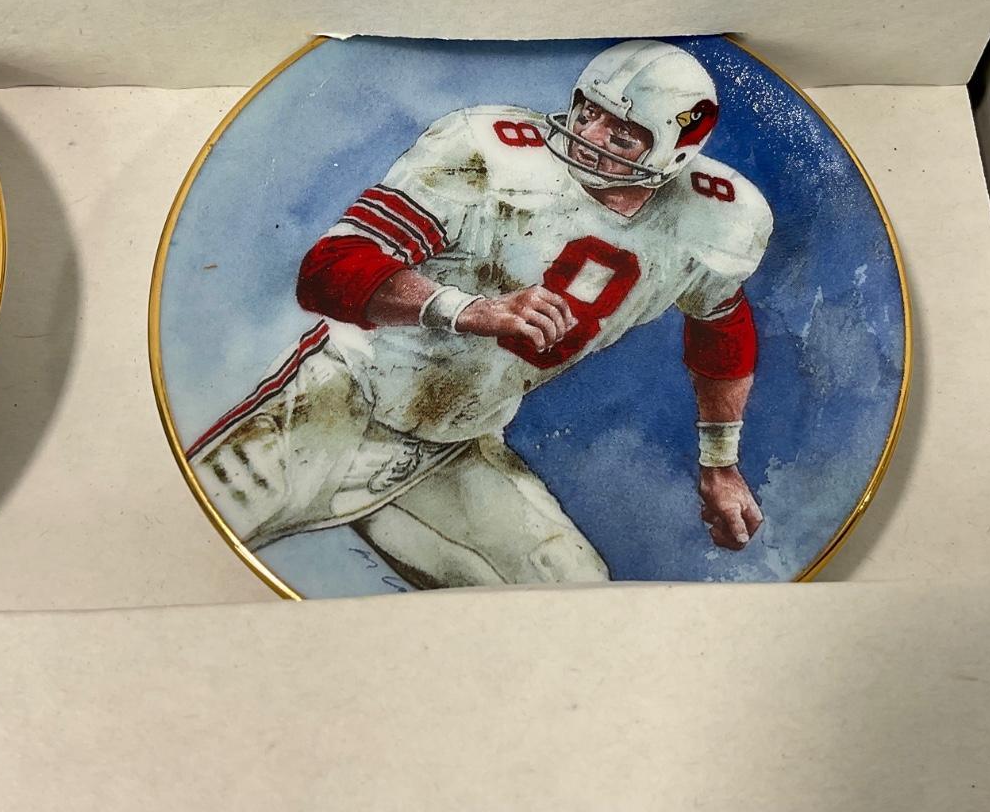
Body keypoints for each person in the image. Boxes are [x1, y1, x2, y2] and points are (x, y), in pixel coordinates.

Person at [187, 39, 773, 587]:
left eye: (621, 135)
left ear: (675, 153)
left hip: (456, 446)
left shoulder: (717, 218)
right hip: (338, 400)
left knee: (575, 594)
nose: (587, 137)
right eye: (588, 112)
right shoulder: (487, 152)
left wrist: (720, 464)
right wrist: (471, 311)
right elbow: (330, 271)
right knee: (185, 534)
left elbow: (721, 329)